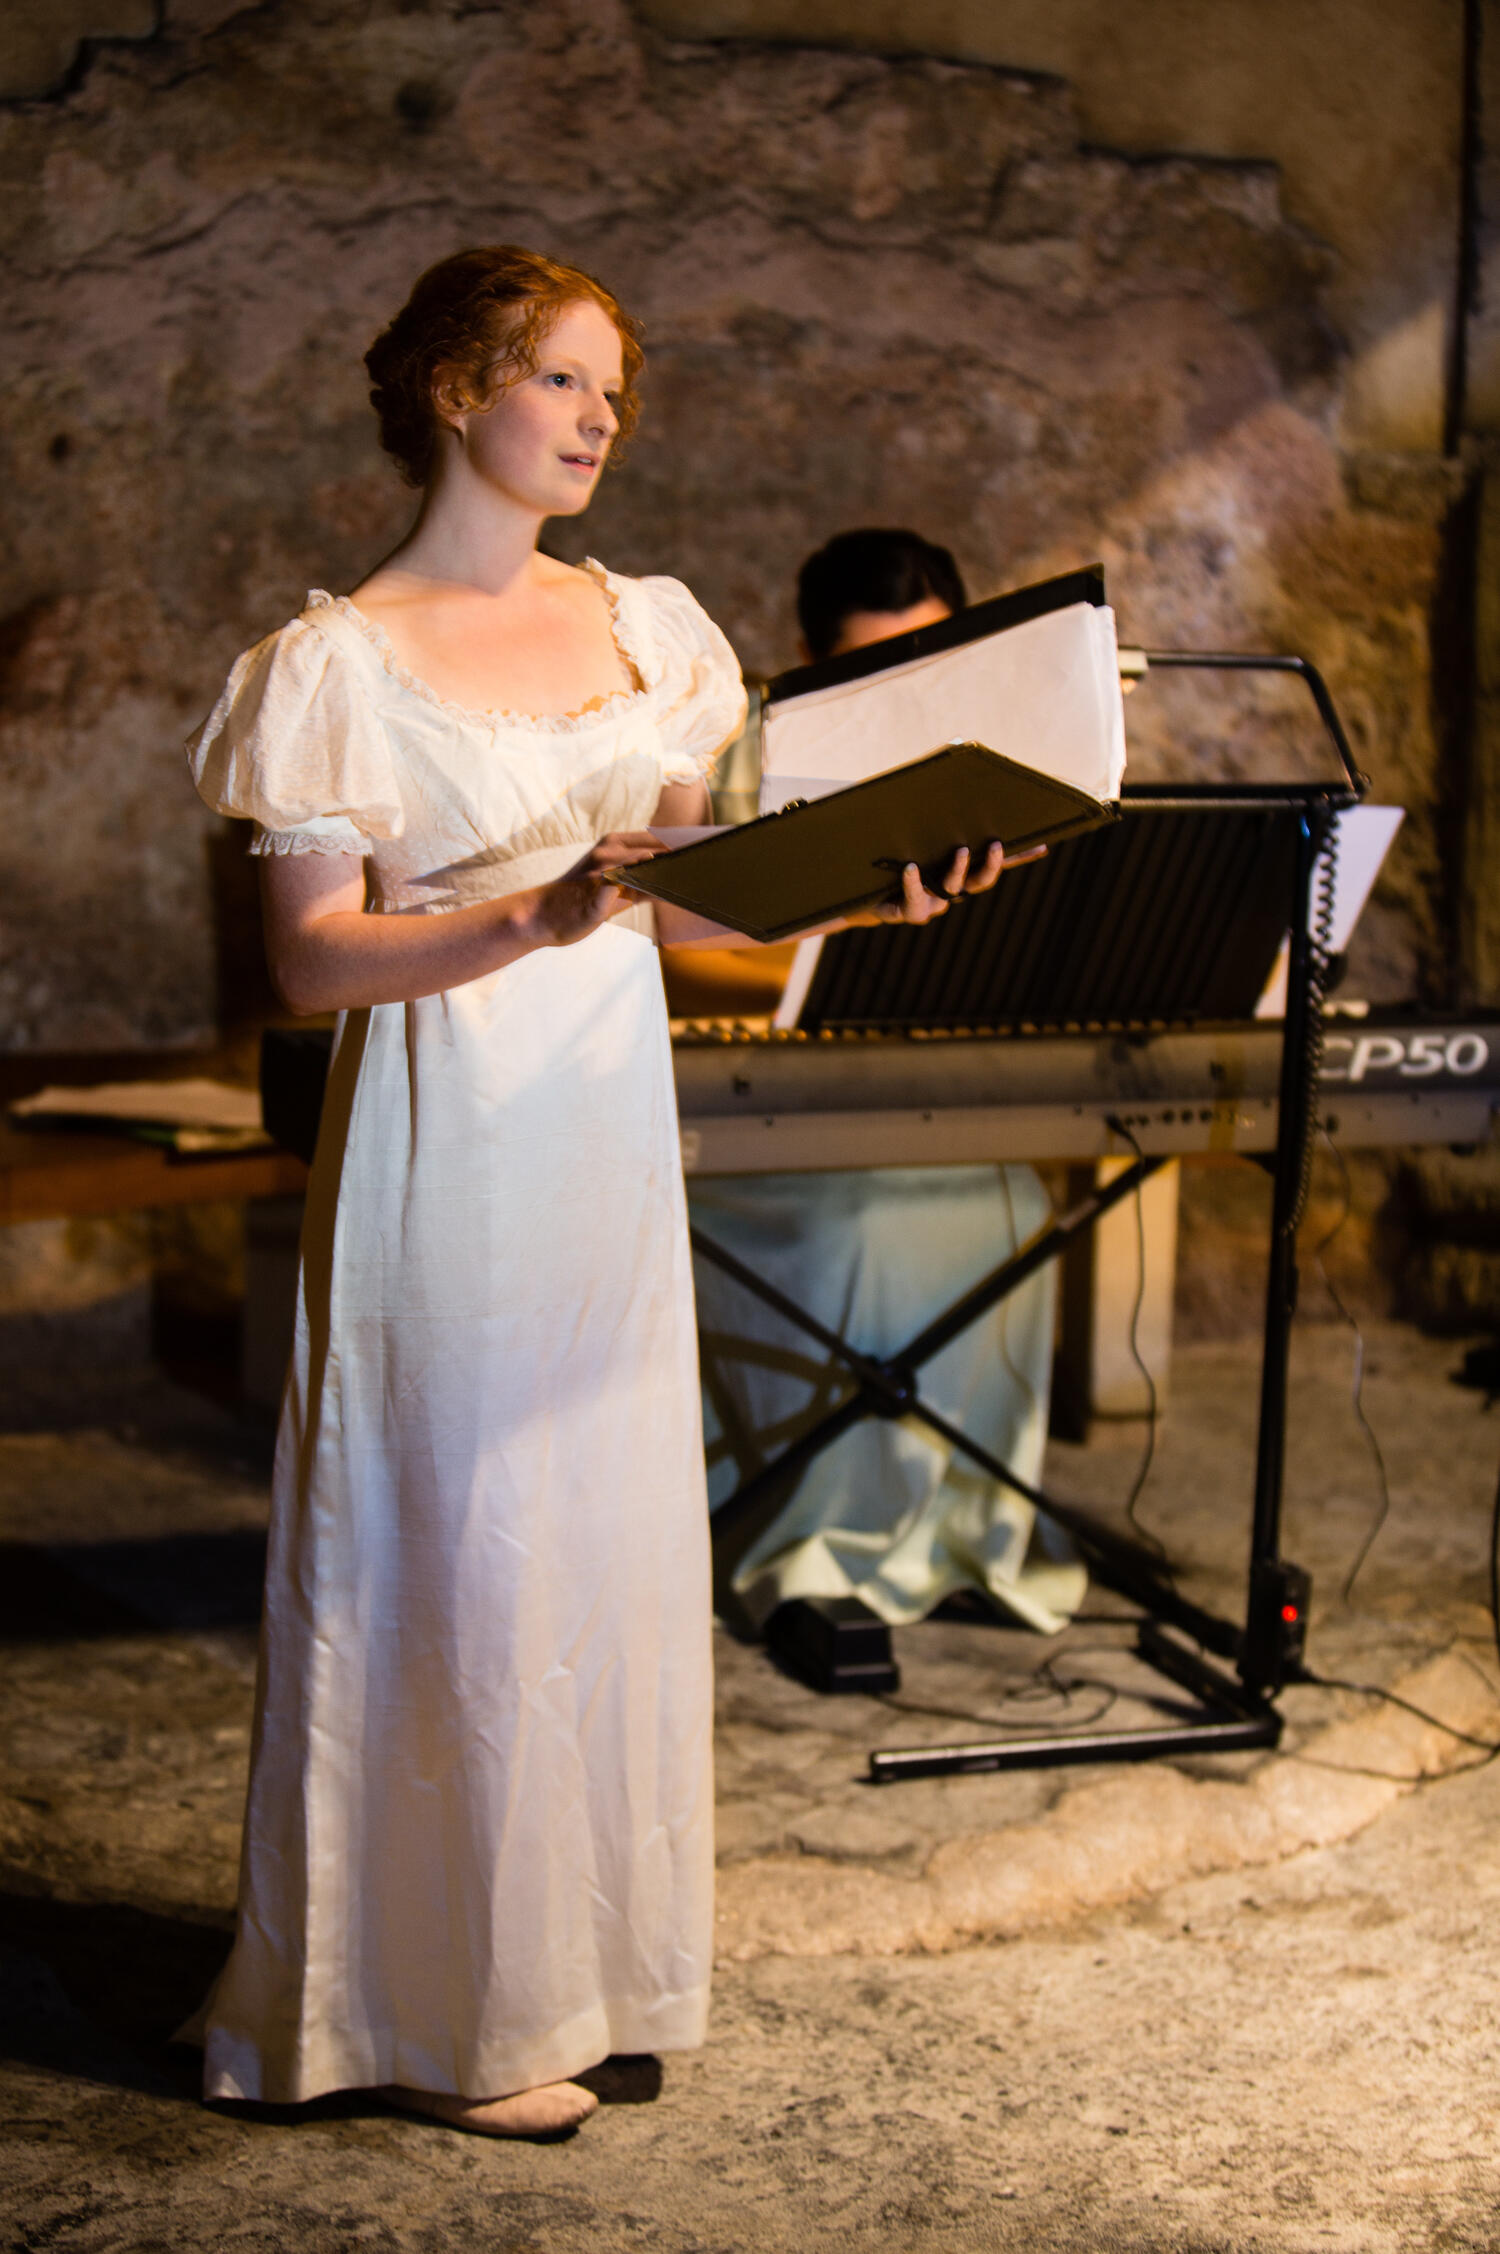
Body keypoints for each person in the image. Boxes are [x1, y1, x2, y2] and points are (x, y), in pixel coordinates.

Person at [184, 251, 1013, 2140]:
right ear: (457, 386)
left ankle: (584, 1967)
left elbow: (703, 896)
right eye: (561, 377)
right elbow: (310, 960)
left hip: (602, 1125)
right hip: (446, 1129)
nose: (596, 416)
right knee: (458, 1536)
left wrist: (870, 888)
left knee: (597, 1536)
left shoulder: (651, 625)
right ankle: (439, 2008)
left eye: (613, 390)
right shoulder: (330, 664)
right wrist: (541, 908)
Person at [679, 529, 1086, 1638]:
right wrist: (833, 937)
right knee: (849, 1226)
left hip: (932, 1089)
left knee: (1009, 1206)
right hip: (764, 1099)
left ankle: (964, 1532)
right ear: (813, 661)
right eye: (871, 665)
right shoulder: (735, 752)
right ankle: (810, 1540)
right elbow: (672, 936)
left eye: (930, 656)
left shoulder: (1010, 760)